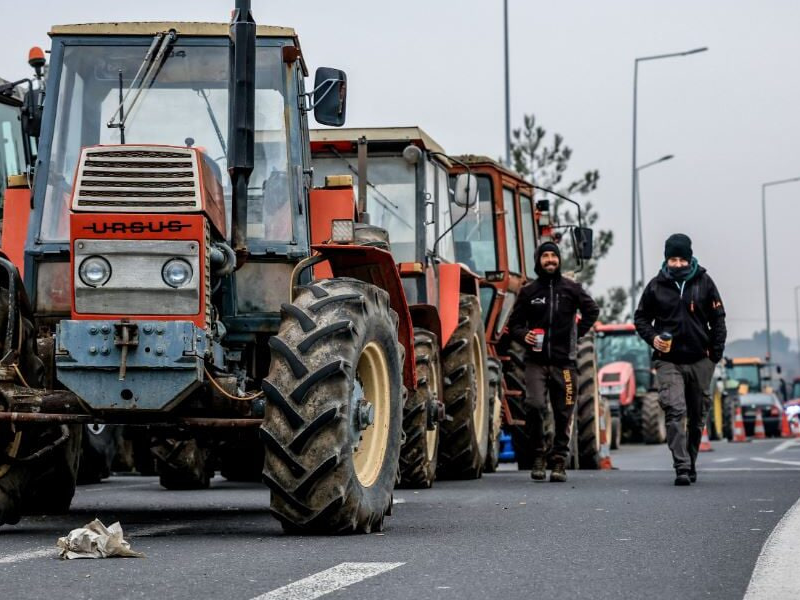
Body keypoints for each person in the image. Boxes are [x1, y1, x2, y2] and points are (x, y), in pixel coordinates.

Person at [634, 233, 727, 486]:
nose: (676, 264)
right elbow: (640, 319)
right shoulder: (656, 285)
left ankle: (691, 461)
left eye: (681, 259)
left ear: (689, 258)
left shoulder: (704, 282)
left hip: (700, 360)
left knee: (696, 418)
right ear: (666, 259)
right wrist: (653, 338)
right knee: (675, 410)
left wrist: (713, 356)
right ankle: (681, 466)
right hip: (668, 361)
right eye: (672, 259)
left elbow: (718, 319)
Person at [508, 241, 599, 482]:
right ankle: (538, 455)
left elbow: (592, 311)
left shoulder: (572, 289)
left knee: (563, 413)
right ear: (538, 261)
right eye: (545, 256)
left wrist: (577, 333)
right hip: (535, 362)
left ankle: (559, 461)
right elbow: (513, 326)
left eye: (553, 256)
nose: (550, 260)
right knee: (535, 406)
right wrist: (523, 335)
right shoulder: (529, 292)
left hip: (565, 364)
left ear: (559, 260)